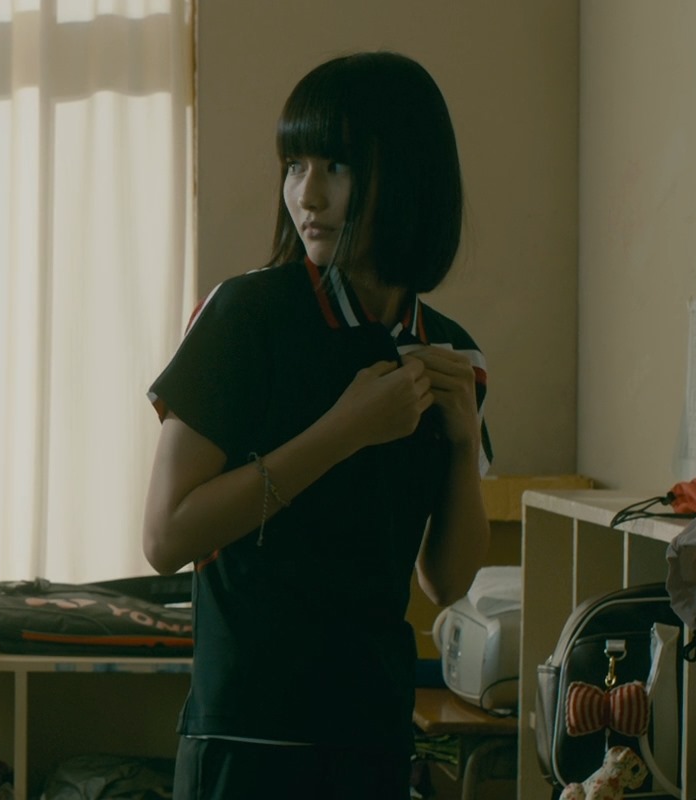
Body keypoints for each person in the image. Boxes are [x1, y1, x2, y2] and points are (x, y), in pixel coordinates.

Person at [142, 51, 491, 799]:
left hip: (375, 734)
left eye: (337, 166)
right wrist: (343, 431)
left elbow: (445, 580)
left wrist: (464, 448)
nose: (308, 195)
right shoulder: (246, 315)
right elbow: (167, 537)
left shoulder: (450, 353)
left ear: (409, 175)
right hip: (247, 736)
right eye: (295, 166)